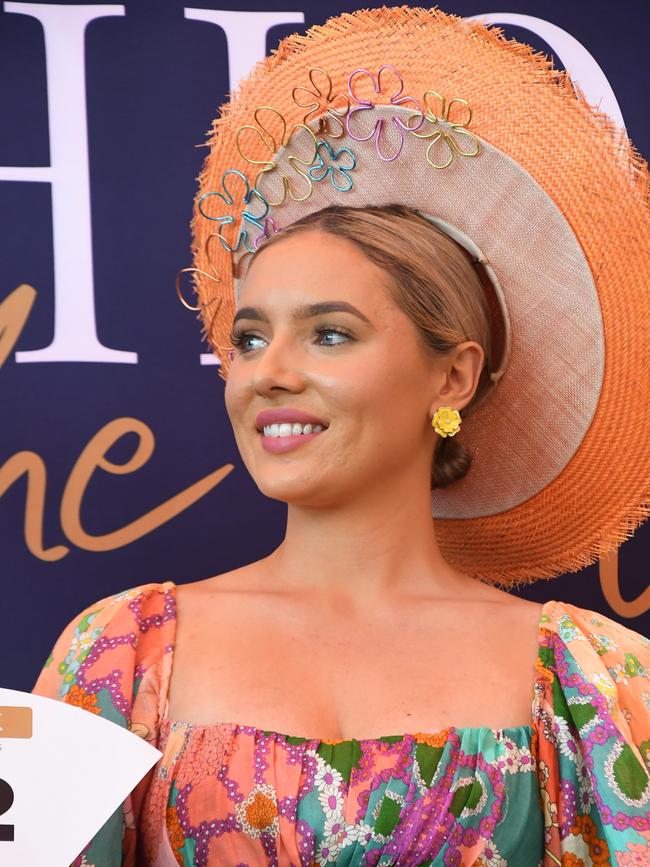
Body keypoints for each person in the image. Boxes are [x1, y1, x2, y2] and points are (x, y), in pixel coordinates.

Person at [32, 6, 650, 866]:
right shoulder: (118, 652)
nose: (266, 371)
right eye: (249, 338)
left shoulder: (594, 680)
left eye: (329, 333)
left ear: (453, 376)